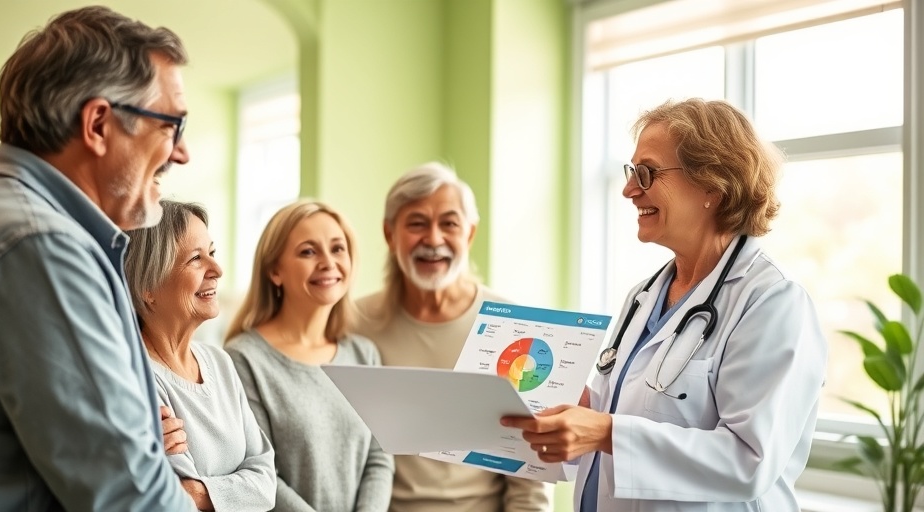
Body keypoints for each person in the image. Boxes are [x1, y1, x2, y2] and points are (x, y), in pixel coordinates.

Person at [0, 6, 197, 510]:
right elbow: (129, 497)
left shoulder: (4, 224)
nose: (182, 152)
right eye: (172, 124)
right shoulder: (40, 247)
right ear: (99, 124)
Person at [502, 99, 828, 511]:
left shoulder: (772, 303)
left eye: (647, 172)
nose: (628, 189)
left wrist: (605, 431)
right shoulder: (644, 296)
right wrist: (584, 410)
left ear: (712, 183)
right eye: (630, 171)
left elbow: (749, 463)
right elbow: (633, 417)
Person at [352, 162, 552, 512]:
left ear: (469, 233)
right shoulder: (354, 322)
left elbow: (529, 476)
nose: (433, 239)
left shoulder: (513, 326)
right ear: (389, 234)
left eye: (449, 223)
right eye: (417, 223)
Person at [224, 200, 394, 511]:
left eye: (338, 248)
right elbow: (260, 474)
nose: (328, 262)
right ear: (275, 270)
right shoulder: (242, 360)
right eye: (308, 251)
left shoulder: (363, 353)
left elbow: (379, 457)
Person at [124, 199, 276, 511]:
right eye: (196, 259)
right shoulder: (136, 376)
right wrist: (233, 491)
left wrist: (202, 493)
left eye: (213, 253)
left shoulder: (220, 362)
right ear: (147, 286)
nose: (217, 269)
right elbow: (172, 501)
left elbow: (265, 479)